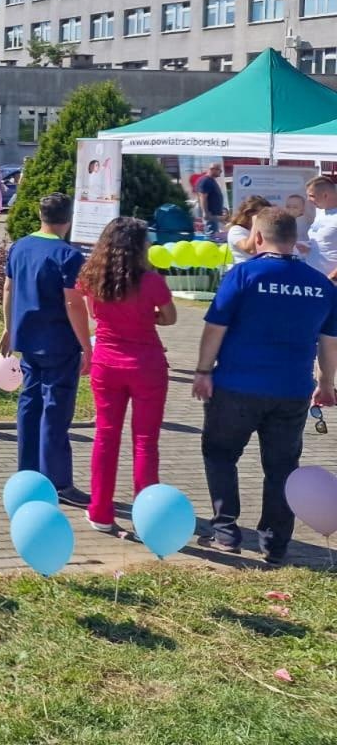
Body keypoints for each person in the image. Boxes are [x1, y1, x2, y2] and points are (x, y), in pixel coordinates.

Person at [193, 208, 337, 563]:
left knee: (221, 454)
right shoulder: (321, 284)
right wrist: (327, 383)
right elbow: (329, 341)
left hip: (236, 386)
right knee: (281, 467)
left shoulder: (243, 275)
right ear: (295, 240)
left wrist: (202, 370)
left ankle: (226, 531)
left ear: (258, 237)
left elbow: (215, 328)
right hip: (291, 391)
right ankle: (275, 545)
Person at [77, 217, 177, 533]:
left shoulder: (93, 276)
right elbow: (170, 319)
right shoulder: (152, 281)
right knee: (146, 441)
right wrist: (148, 316)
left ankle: (100, 512)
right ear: (140, 245)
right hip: (146, 363)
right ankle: (147, 515)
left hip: (106, 362)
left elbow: (93, 313)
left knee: (106, 437)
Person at [0, 193, 92, 505]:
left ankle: (27, 474)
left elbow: (9, 289)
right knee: (55, 411)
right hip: (59, 342)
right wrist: (86, 345)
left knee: (30, 406)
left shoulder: (20, 246)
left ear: (40, 215)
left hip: (27, 339)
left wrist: (8, 328)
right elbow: (73, 302)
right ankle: (58, 482)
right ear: (69, 218)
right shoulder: (69, 255)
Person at [303, 175, 337, 280]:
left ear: (325, 195)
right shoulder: (320, 212)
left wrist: (333, 277)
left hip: (330, 282)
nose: (308, 200)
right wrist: (307, 247)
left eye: (312, 196)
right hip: (313, 278)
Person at [225, 196, 271, 266]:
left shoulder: (264, 231)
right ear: (249, 213)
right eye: (262, 213)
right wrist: (256, 222)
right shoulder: (236, 230)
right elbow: (251, 250)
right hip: (244, 272)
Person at [196, 163, 227, 235]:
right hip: (210, 215)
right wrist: (205, 212)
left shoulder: (211, 180)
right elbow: (203, 197)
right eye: (220, 170)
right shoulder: (206, 181)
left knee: (214, 235)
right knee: (211, 236)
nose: (221, 172)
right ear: (212, 169)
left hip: (213, 215)